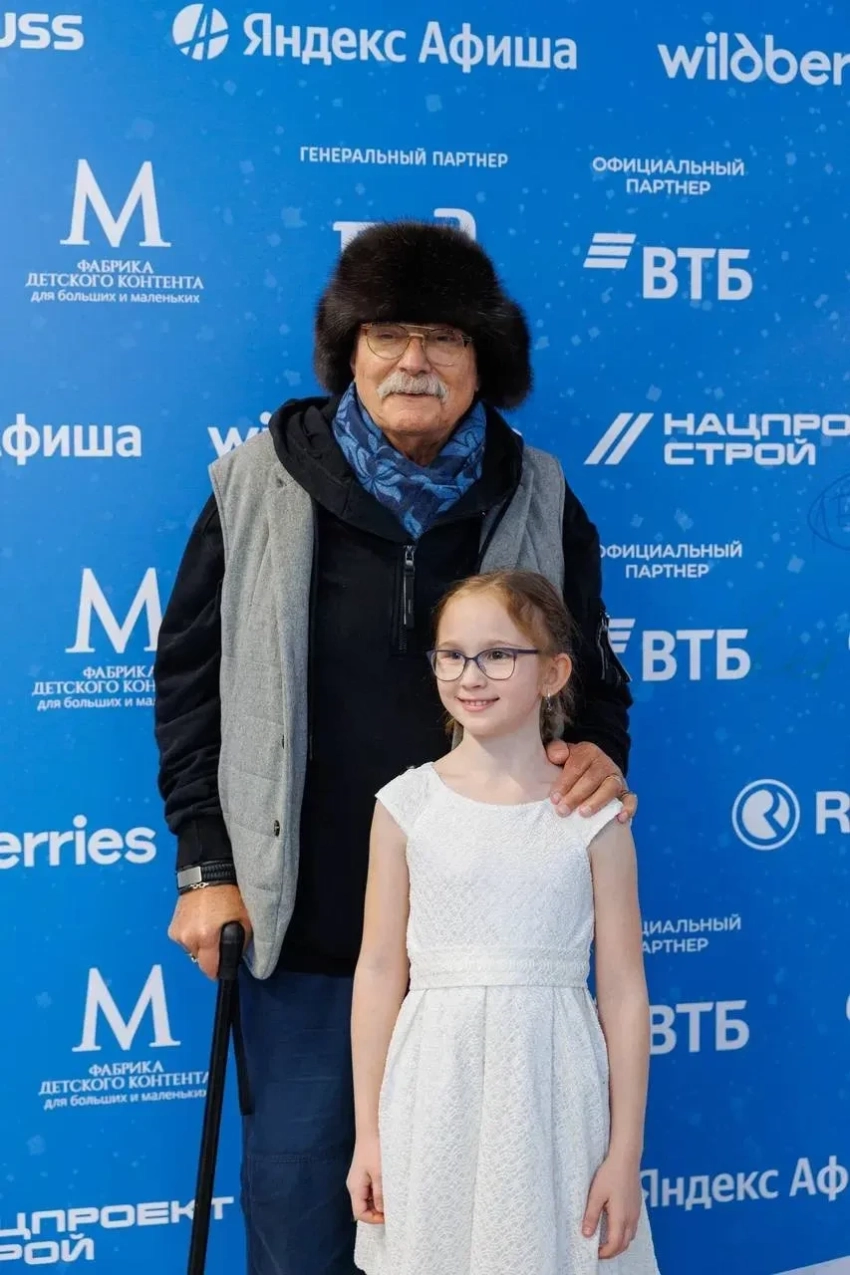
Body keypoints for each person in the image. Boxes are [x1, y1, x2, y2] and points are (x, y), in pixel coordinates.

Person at [154, 220, 634, 1275]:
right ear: (349, 351)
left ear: (483, 361)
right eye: (386, 334)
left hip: (484, 955)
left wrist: (601, 754)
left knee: (478, 1230)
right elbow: (188, 683)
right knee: (301, 1213)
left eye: (443, 337)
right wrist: (205, 864)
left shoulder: (539, 490)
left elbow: (593, 678)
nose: (414, 359)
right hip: (311, 935)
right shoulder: (256, 482)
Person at [348, 570, 658, 1275]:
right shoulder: (405, 806)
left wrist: (625, 1154)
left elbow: (623, 991)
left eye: (498, 654)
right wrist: (369, 1134)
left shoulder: (596, 818)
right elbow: (379, 969)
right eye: (452, 654)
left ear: (554, 673)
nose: (470, 675)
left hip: (555, 1097)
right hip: (433, 1092)